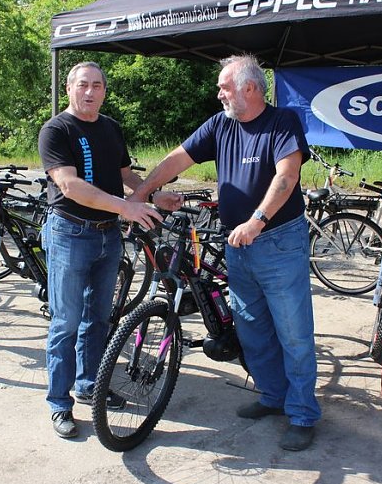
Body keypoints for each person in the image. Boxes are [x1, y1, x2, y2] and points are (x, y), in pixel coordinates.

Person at [131, 54, 320, 451]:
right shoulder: (220, 125)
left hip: (277, 239)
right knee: (252, 327)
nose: (218, 93)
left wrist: (257, 220)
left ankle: (302, 413)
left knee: (293, 332)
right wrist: (143, 192)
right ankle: (272, 396)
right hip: (237, 243)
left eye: (224, 86)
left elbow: (287, 176)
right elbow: (177, 159)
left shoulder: (282, 122)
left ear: (249, 87)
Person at [38, 61, 177, 439]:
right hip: (70, 233)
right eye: (83, 84)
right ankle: (58, 403)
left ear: (104, 90)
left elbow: (124, 174)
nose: (90, 91)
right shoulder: (56, 130)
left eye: (97, 85)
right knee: (65, 321)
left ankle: (88, 386)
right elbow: (70, 186)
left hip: (108, 235)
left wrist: (151, 193)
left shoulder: (111, 128)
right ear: (69, 88)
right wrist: (127, 207)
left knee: (99, 318)